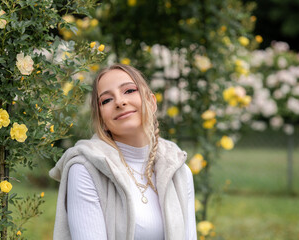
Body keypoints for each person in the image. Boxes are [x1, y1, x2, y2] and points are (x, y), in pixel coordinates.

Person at [49, 64, 197, 240]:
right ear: (102, 120)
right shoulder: (85, 170)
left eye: (128, 91)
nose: (120, 102)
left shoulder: (178, 170)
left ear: (151, 102)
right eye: (106, 100)